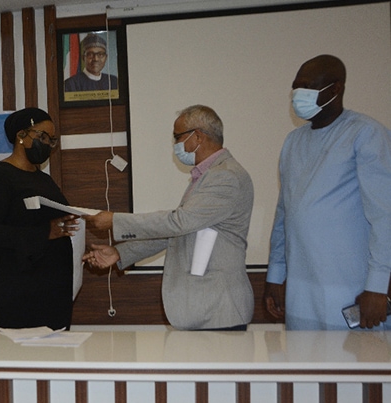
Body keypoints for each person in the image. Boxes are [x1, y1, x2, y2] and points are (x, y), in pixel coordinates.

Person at [83, 105, 254, 331]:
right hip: (206, 308)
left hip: (218, 309)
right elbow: (177, 233)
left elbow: (178, 222)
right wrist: (120, 252)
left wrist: (115, 220)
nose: (175, 145)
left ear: (198, 136)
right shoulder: (208, 176)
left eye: (178, 137)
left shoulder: (225, 176)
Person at [264, 54, 391, 330]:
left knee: (355, 370)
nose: (298, 95)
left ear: (335, 89)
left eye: (308, 87)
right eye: (296, 86)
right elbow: (285, 213)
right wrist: (275, 275)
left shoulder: (366, 134)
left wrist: (378, 287)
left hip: (353, 293)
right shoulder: (292, 141)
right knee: (302, 368)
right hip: (300, 293)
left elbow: (385, 216)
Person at [0, 107, 78, 330]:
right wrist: (44, 232)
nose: (48, 144)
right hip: (15, 292)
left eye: (52, 139)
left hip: (50, 291)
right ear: (21, 136)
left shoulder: (44, 180)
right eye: (43, 136)